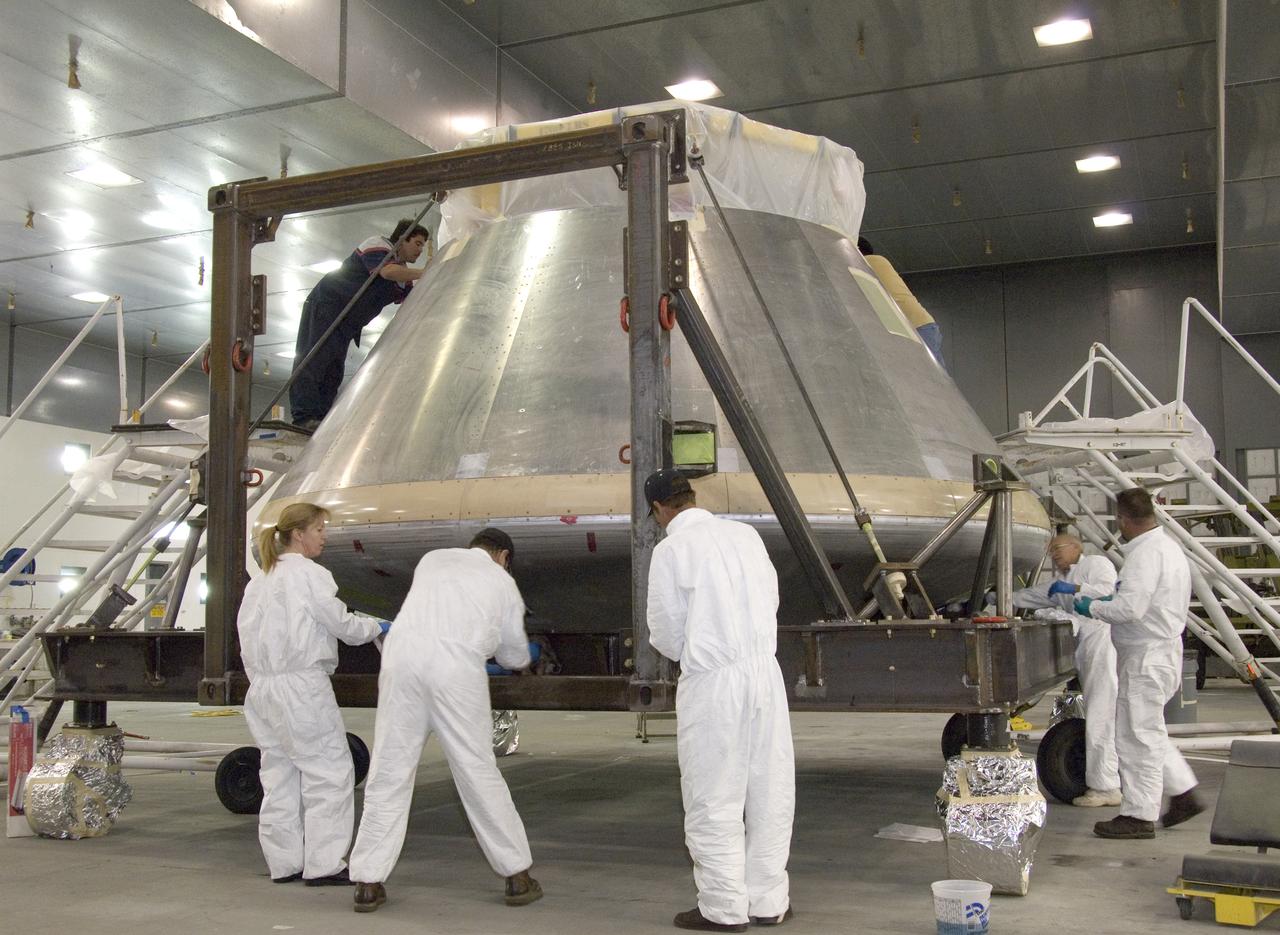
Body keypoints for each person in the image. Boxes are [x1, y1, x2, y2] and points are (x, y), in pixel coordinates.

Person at [347, 528, 542, 913]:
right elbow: (514, 655)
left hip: (401, 662)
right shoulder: (502, 581)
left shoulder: (432, 559)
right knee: (476, 769)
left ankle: (368, 882)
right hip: (455, 671)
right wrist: (522, 658)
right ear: (503, 556)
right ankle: (517, 876)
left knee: (390, 770)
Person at [645, 468, 795, 932]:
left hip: (714, 682)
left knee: (714, 796)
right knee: (770, 789)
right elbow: (772, 599)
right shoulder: (746, 534)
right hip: (765, 674)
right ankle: (769, 901)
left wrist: (701, 651)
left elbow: (665, 631)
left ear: (658, 509)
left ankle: (723, 907)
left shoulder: (670, 550)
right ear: (692, 496)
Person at [237, 502, 384, 885]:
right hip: (301, 686)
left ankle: (284, 863)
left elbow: (245, 638)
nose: (324, 537)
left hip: (263, 689)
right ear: (299, 534)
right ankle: (325, 865)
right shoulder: (311, 575)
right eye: (320, 530)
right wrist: (376, 625)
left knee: (279, 774)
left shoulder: (260, 581)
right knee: (330, 772)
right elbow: (343, 626)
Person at [1075, 488, 1203, 839]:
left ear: (1122, 520)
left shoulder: (1146, 554)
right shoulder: (1168, 549)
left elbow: (1131, 609)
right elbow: (1141, 599)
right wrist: (1111, 598)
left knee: (1136, 737)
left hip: (1145, 657)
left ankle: (1138, 815)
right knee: (1149, 731)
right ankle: (1184, 794)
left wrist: (1094, 607)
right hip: (1160, 652)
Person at [1012, 534, 1120, 807]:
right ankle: (1105, 783)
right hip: (1087, 646)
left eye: (1059, 549)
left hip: (1104, 641)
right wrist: (997, 596)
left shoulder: (1096, 563)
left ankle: (1106, 787)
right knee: (1097, 713)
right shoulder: (1061, 583)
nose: (1055, 556)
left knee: (1100, 714)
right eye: (1051, 552)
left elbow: (1109, 592)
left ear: (1076, 547)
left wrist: (1074, 590)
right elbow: (1033, 596)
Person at [289, 219, 429, 429]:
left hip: (348, 323)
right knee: (314, 359)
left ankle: (320, 419)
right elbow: (386, 272)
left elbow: (414, 297)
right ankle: (303, 417)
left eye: (423, 246)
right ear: (402, 238)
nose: (420, 250)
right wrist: (426, 272)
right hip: (328, 307)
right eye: (417, 243)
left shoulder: (404, 276)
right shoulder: (379, 246)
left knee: (333, 369)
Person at [857, 236, 945, 369]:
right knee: (937, 381)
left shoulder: (867, 262)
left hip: (913, 328)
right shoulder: (880, 262)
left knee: (921, 379)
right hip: (925, 325)